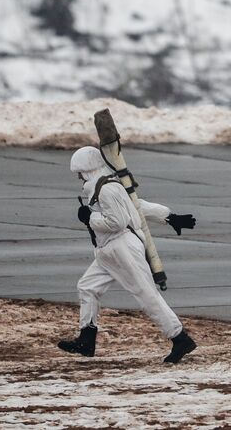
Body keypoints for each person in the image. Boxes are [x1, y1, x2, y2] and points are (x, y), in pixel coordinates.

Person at [57, 146, 198, 363]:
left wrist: (89, 219)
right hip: (108, 251)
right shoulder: (106, 186)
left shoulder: (106, 189)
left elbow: (117, 222)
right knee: (87, 287)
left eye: (79, 173)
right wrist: (170, 217)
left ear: (86, 170)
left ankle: (180, 338)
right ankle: (86, 340)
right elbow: (138, 205)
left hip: (122, 247)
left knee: (146, 294)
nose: (78, 177)